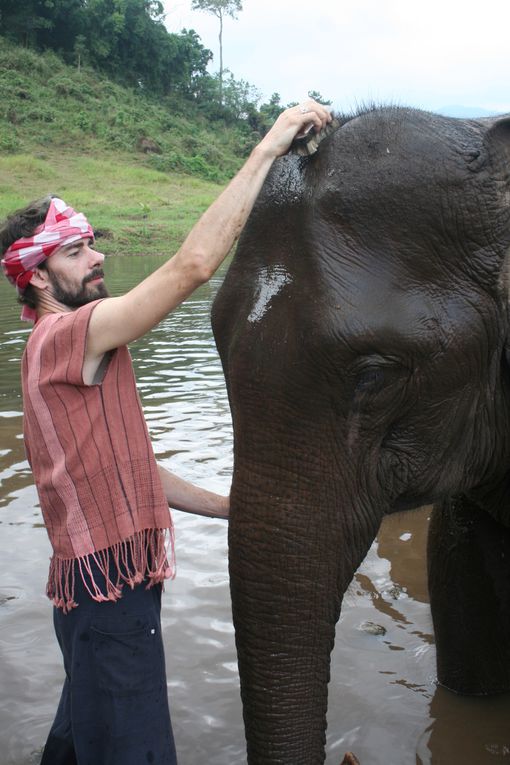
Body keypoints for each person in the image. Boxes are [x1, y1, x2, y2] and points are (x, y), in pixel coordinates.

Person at [0, 100, 332, 764]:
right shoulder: (71, 334)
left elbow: (126, 470)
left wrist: (228, 507)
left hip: (93, 597)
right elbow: (193, 266)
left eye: (93, 242)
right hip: (111, 603)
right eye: (76, 250)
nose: (97, 259)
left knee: (75, 745)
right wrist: (270, 146)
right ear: (36, 275)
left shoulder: (54, 349)